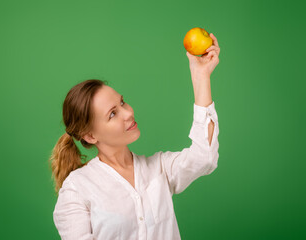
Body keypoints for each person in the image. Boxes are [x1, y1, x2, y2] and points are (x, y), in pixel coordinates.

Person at [50, 33, 221, 240]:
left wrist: (201, 75)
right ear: (90, 135)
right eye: (113, 114)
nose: (128, 112)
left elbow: (204, 157)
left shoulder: (159, 169)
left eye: (122, 103)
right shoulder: (77, 190)